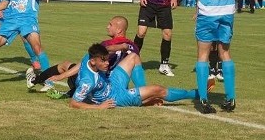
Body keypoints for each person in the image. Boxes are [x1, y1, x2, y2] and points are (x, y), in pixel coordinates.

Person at [69, 43, 208, 110]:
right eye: (103, 61)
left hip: (111, 81)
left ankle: (142, 94)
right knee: (159, 89)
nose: (107, 63)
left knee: (133, 56)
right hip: (116, 97)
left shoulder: (89, 56)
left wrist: (120, 46)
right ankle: (197, 94)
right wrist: (99, 107)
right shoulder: (87, 82)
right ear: (93, 61)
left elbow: (102, 50)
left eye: (107, 59)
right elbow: (74, 103)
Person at [28, 16, 144, 93]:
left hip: (97, 84)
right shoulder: (133, 47)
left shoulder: (106, 45)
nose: (107, 27)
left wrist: (61, 77)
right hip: (120, 87)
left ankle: (35, 80)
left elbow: (85, 64)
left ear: (119, 30)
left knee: (66, 65)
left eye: (110, 25)